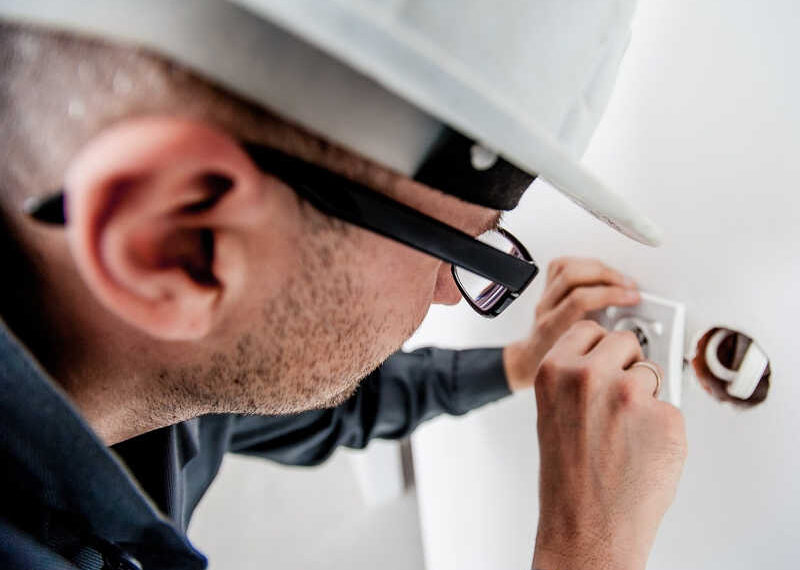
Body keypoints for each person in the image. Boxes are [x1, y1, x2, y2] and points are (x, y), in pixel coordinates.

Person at [0, 4, 687, 570]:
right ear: (177, 242)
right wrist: (586, 554)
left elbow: (329, 404)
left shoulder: (153, 363)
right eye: (457, 250)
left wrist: (518, 362)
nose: (451, 294)